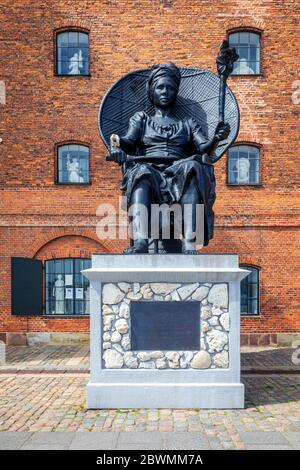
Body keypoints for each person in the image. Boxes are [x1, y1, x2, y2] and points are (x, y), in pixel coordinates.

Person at [109, 62, 230, 254]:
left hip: (178, 170)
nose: (165, 91)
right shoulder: (142, 119)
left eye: (170, 88)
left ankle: (190, 242)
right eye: (160, 87)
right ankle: (140, 242)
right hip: (149, 169)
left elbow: (204, 148)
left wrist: (216, 138)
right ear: (152, 91)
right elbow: (128, 142)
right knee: (140, 173)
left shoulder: (187, 123)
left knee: (192, 167)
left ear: (175, 92)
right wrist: (116, 145)